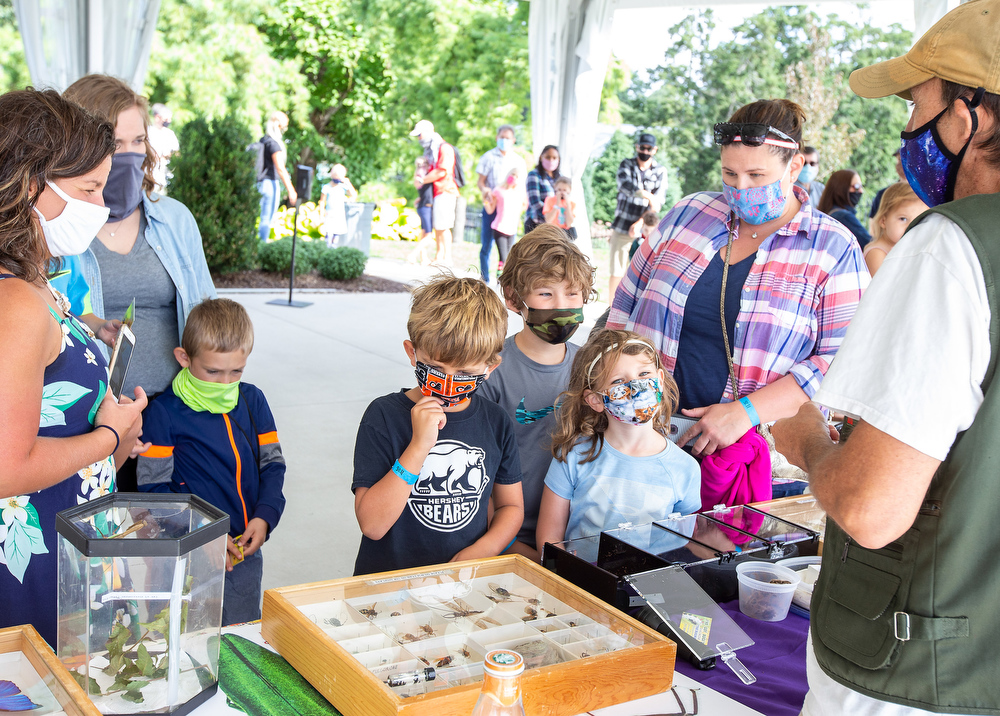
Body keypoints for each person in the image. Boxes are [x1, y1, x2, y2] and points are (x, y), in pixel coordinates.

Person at [772, 3, 1000, 713]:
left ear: (970, 115)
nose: (909, 129)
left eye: (916, 102)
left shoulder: (951, 246)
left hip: (912, 672)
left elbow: (872, 509)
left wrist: (807, 440)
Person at [607, 100, 868, 460]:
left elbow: (841, 361)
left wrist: (746, 412)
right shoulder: (689, 213)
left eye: (756, 176)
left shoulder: (833, 248)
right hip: (639, 438)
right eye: (730, 174)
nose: (740, 188)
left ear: (795, 167)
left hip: (747, 458)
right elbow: (625, 302)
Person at [0, 88, 145, 646]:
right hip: (36, 574)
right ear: (30, 185)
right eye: (87, 189)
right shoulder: (14, 301)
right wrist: (108, 437)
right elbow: (9, 467)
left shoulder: (30, 283)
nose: (101, 205)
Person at [63, 74, 217, 491]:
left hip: (177, 415)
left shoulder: (175, 219)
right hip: (93, 419)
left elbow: (208, 315)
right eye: (114, 144)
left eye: (138, 141)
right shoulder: (59, 230)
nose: (129, 156)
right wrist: (116, 428)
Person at [351, 275, 524, 574]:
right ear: (412, 353)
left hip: (462, 585)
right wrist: (419, 446)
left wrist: (486, 548)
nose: (448, 382)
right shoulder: (383, 416)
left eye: (464, 372)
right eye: (435, 368)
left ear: (490, 367)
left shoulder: (496, 422)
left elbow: (511, 506)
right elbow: (373, 525)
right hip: (388, 586)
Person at [137, 298, 285, 625]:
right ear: (184, 358)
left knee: (239, 634)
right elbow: (152, 489)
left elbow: (272, 465)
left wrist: (265, 517)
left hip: (241, 553)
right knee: (173, 633)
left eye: (236, 372)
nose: (224, 383)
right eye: (213, 371)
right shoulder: (163, 412)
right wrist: (202, 532)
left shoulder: (252, 400)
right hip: (182, 553)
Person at [480, 226, 597, 562]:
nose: (562, 306)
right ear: (514, 299)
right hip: (503, 537)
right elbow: (477, 472)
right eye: (546, 294)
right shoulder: (490, 372)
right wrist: (508, 545)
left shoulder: (592, 368)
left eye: (573, 294)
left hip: (574, 538)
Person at [536, 330, 701, 546]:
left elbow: (682, 543)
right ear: (595, 400)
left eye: (643, 374)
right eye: (618, 380)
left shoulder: (685, 467)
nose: (636, 387)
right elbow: (549, 539)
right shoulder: (573, 455)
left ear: (660, 380)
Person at [608, 132, 667, 299]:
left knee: (641, 274)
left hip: (646, 230)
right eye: (642, 147)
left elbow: (658, 203)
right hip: (622, 226)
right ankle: (610, 310)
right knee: (616, 270)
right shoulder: (626, 164)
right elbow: (625, 186)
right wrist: (648, 196)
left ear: (654, 150)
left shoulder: (660, 171)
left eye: (649, 149)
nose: (645, 151)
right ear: (637, 147)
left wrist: (640, 222)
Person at [476, 125, 528, 283]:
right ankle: (484, 278)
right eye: (501, 137)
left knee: (508, 248)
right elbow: (481, 182)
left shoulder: (518, 160)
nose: (504, 140)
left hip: (509, 210)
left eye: (508, 138)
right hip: (493, 203)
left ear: (513, 140)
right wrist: (486, 192)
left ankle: (503, 277)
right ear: (497, 138)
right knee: (486, 244)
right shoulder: (488, 157)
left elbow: (521, 187)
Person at [412, 119, 459, 266]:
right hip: (436, 192)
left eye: (420, 135)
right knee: (438, 226)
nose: (419, 138)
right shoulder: (431, 150)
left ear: (427, 132)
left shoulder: (444, 148)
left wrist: (422, 180)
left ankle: (447, 258)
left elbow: (442, 171)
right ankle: (439, 256)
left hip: (445, 190)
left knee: (444, 226)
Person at [864, 182, 927, 276]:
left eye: (918, 220)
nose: (912, 226)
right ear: (883, 221)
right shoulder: (876, 253)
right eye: (903, 219)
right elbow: (884, 288)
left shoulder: (903, 248)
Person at [256, 111, 297, 242]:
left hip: (259, 183)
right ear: (278, 125)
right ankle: (261, 248)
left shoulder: (263, 140)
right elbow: (280, 168)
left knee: (260, 217)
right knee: (267, 218)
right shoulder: (273, 144)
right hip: (269, 184)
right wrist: (291, 190)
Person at [482, 167, 527, 272]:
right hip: (499, 228)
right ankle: (502, 279)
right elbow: (490, 210)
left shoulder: (520, 193)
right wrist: (485, 201)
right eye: (512, 175)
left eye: (517, 176)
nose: (514, 178)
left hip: (512, 230)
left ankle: (500, 279)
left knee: (508, 258)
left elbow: (524, 207)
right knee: (504, 257)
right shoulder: (498, 190)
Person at [818, 169, 872, 249]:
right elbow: (869, 243)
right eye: (856, 187)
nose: (861, 191)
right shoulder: (843, 216)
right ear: (841, 188)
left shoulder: (828, 213)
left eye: (861, 186)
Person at [406, 156, 437, 265]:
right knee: (428, 236)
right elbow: (418, 183)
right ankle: (412, 255)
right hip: (425, 208)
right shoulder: (422, 177)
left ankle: (423, 258)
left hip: (423, 206)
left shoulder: (422, 177)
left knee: (424, 233)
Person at [318, 164, 358, 248]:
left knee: (336, 236)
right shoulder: (326, 187)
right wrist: (321, 215)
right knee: (328, 234)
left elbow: (353, 195)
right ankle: (328, 248)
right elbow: (322, 202)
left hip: (339, 214)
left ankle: (334, 248)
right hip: (329, 214)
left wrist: (348, 183)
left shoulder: (343, 187)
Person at [525, 145, 560, 234]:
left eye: (554, 158)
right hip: (537, 225)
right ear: (541, 158)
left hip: (556, 226)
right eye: (548, 157)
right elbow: (535, 203)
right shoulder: (534, 175)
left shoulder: (560, 178)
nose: (551, 160)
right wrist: (549, 216)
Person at [867, 148, 906, 229]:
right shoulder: (884, 194)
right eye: (899, 160)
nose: (901, 163)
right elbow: (873, 225)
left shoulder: (924, 194)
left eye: (905, 159)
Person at [147, 102, 179, 192]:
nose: (168, 121)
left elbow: (177, 153)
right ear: (157, 117)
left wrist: (168, 156)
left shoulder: (170, 134)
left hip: (164, 175)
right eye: (166, 118)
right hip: (149, 175)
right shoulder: (148, 132)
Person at [542, 176, 577, 240]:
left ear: (569, 190)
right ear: (555, 188)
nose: (562, 192)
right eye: (559, 190)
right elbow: (548, 220)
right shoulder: (549, 200)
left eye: (564, 190)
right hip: (552, 232)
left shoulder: (572, 204)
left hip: (565, 234)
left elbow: (569, 223)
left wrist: (568, 205)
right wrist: (557, 203)